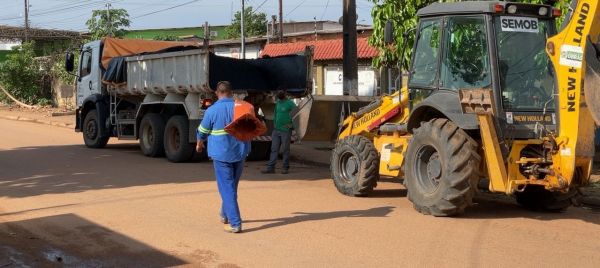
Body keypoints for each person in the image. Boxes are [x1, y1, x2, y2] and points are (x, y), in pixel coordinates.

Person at [196, 81, 250, 233]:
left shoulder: (212, 110)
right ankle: (224, 214)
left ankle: (235, 223)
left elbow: (202, 131)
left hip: (221, 154)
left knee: (226, 188)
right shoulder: (242, 107)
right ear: (231, 92)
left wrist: (199, 143)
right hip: (240, 152)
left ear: (217, 93)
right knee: (231, 186)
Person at [262, 90, 297, 174]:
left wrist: (292, 126)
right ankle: (271, 168)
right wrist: (275, 124)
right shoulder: (278, 103)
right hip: (276, 130)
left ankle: (285, 168)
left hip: (285, 130)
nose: (279, 97)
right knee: (274, 149)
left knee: (285, 150)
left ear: (285, 95)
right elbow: (275, 114)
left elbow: (297, 115)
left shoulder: (290, 104)